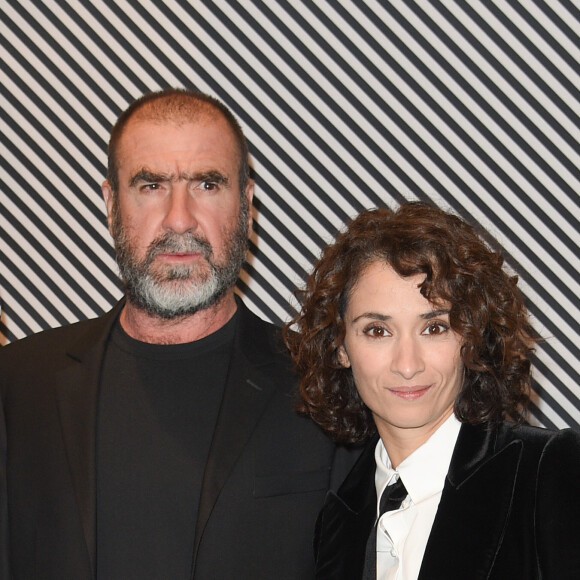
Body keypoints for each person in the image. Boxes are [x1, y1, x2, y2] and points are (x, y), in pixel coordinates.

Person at [0, 88, 354, 580]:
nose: (180, 219)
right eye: (151, 185)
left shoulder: (324, 388)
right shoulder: (17, 384)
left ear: (246, 205)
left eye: (208, 184)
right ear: (110, 202)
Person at [284, 202, 580, 579]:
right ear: (341, 346)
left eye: (434, 328)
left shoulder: (548, 471)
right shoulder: (339, 518)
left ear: (470, 335)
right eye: (378, 330)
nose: (408, 364)